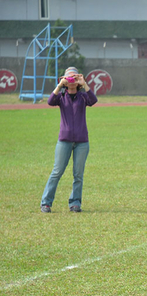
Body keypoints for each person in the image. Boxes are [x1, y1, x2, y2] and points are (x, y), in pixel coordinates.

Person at [41, 66, 97, 213]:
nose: (72, 80)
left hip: (82, 142)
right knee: (57, 172)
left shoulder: (83, 97)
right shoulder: (61, 97)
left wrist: (84, 83)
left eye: (74, 77)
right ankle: (46, 203)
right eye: (69, 77)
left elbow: (93, 100)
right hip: (64, 140)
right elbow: (50, 101)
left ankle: (75, 202)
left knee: (78, 175)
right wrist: (60, 85)